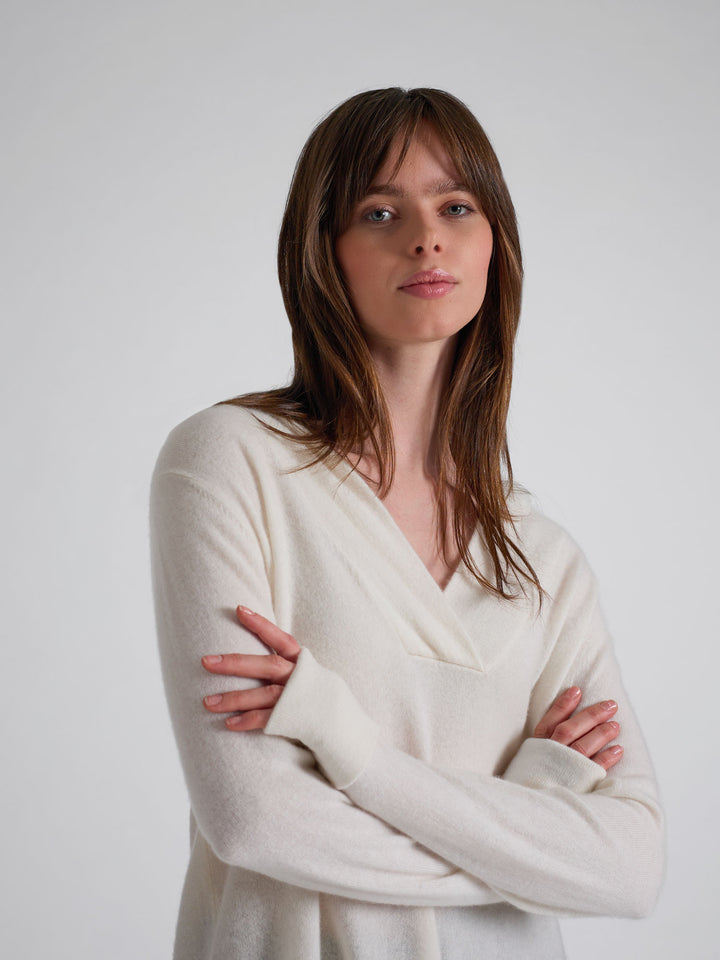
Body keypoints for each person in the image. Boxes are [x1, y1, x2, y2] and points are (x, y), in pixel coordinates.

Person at [150, 87, 663, 960]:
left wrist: (346, 744)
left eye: (455, 206)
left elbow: (632, 868)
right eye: (380, 212)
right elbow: (255, 822)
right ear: (323, 252)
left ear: (493, 242)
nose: (426, 237)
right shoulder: (231, 461)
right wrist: (530, 837)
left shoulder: (542, 559)